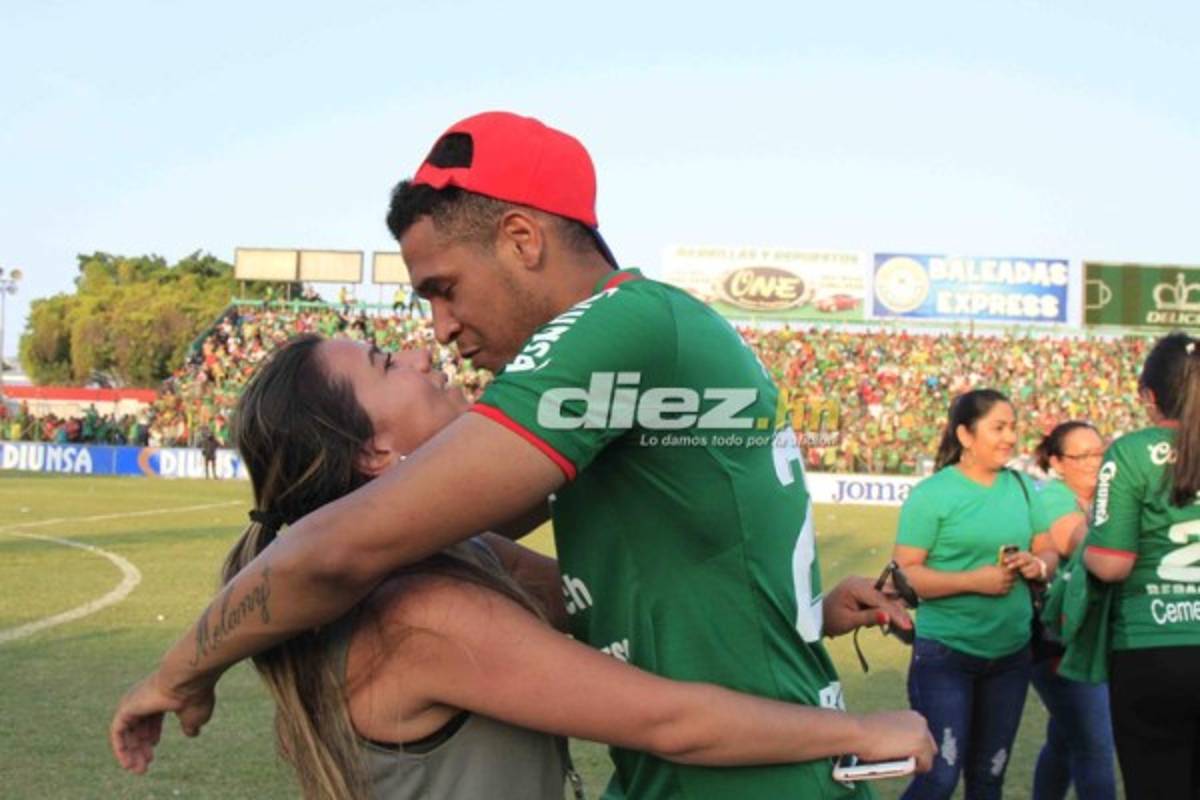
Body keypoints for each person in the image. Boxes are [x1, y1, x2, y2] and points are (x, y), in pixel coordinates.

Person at [111, 111, 934, 799]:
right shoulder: (638, 343)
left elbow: (339, 548)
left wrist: (181, 671)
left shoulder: (616, 328)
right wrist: (801, 610)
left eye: (444, 288)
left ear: (520, 239)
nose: (438, 331)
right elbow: (627, 587)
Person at [148, 333, 930, 798]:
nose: (420, 351)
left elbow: (612, 611)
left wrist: (811, 608)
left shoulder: (462, 552)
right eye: (387, 363)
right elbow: (669, 720)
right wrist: (858, 730)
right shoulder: (419, 617)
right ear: (374, 451)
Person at [892, 389, 1058, 800]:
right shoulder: (932, 494)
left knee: (989, 778)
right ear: (965, 435)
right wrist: (973, 581)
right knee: (939, 778)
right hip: (946, 656)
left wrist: (1038, 566)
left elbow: (1048, 548)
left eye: (1013, 428)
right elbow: (904, 575)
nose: (1010, 438)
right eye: (998, 428)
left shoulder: (1022, 487)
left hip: (1011, 657)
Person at [1082, 332, 1200, 798]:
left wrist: (1085, 547)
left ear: (1150, 396)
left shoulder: (1130, 452)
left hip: (1150, 647)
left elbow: (1111, 565)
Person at [1028, 421, 1116, 800]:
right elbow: (1079, 543)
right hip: (1061, 640)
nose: (1095, 462)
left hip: (1088, 635)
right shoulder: (1054, 497)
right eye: (1082, 456)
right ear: (1057, 462)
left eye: (1100, 453)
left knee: (1065, 741)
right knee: (1095, 747)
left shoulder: (1101, 499)